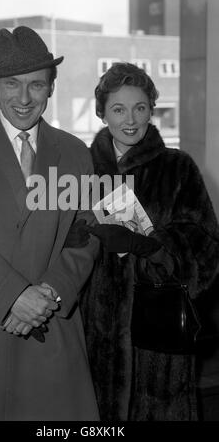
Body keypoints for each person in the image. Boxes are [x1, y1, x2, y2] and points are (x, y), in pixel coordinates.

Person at [0, 26, 100, 421]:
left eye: (36, 85)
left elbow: (87, 235)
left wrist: (50, 292)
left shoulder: (76, 153)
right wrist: (13, 296)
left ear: (51, 88)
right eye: (12, 84)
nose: (24, 98)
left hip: (52, 329)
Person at [66, 62, 219, 420]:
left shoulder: (178, 168)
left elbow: (208, 248)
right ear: (102, 113)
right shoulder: (81, 171)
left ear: (152, 109)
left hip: (159, 348)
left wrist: (150, 247)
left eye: (140, 107)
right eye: (118, 109)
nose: (130, 119)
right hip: (92, 336)